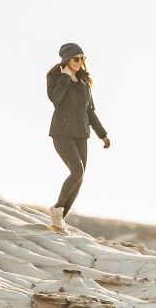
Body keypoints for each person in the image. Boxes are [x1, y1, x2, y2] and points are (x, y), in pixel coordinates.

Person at [46, 42, 109, 225]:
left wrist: (102, 134)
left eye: (82, 58)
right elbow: (56, 99)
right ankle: (57, 210)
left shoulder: (84, 81)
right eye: (76, 58)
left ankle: (59, 220)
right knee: (77, 171)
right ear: (67, 59)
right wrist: (65, 78)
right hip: (61, 132)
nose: (80, 62)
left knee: (80, 177)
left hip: (81, 134)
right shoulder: (55, 76)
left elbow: (89, 112)